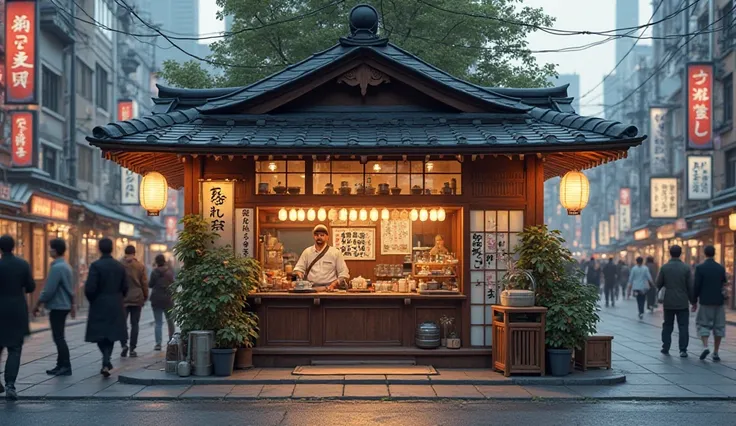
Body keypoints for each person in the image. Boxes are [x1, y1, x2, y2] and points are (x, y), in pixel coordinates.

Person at [85, 238, 128, 377]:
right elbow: (125, 287)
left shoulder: (96, 266)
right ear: (112, 248)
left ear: (99, 249)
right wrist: (119, 297)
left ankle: (105, 360)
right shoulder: (119, 266)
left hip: (99, 303)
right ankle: (106, 361)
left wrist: (93, 300)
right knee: (111, 335)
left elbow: (90, 288)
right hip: (115, 302)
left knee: (100, 335)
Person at [32, 238, 75, 376]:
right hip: (64, 305)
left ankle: (65, 365)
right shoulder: (66, 266)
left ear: (55, 250)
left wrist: (38, 303)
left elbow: (49, 290)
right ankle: (60, 364)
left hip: (58, 305)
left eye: (50, 248)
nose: (49, 250)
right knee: (59, 335)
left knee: (59, 337)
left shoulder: (57, 268)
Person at [0, 235, 35, 400]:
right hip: (16, 310)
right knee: (14, 349)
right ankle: (10, 385)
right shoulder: (22, 264)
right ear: (13, 247)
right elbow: (30, 287)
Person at [656, 245, 696, 357]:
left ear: (670, 253)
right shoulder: (686, 268)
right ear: (681, 253)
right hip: (682, 301)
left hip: (669, 301)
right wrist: (693, 301)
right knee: (683, 326)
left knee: (668, 325)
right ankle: (683, 349)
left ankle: (665, 347)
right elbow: (690, 286)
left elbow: (658, 283)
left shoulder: (664, 268)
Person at [693, 245, 728, 362]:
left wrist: (693, 301)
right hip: (719, 301)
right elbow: (724, 283)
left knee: (703, 324)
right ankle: (716, 352)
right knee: (719, 326)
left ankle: (706, 346)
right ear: (714, 253)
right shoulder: (720, 268)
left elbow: (696, 286)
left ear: (704, 254)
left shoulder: (700, 268)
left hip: (705, 301)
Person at [294, 224, 350, 292]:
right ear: (314, 237)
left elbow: (344, 273)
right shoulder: (307, 252)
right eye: (316, 235)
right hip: (311, 289)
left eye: (322, 235)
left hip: (330, 289)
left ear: (327, 237)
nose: (319, 237)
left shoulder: (335, 253)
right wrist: (299, 275)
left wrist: (334, 284)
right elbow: (299, 268)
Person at [120, 245, 148, 358]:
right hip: (137, 297)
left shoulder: (120, 265)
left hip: (123, 298)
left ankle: (124, 345)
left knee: (122, 324)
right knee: (134, 324)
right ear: (134, 253)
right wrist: (145, 296)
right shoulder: (140, 266)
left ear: (125, 253)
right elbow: (144, 283)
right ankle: (132, 349)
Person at [149, 254, 175, 351]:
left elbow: (150, 285)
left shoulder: (154, 272)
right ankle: (171, 341)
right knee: (170, 321)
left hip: (156, 300)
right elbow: (173, 284)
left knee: (158, 323)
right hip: (168, 299)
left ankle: (158, 344)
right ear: (164, 261)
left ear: (156, 262)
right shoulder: (169, 272)